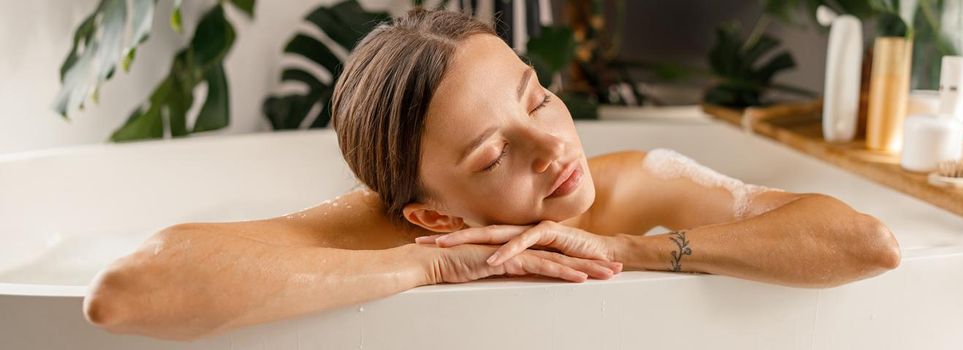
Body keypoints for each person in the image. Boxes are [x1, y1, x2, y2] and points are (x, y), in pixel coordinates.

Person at [82, 8, 901, 341]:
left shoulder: (630, 185)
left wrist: (631, 248)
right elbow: (124, 292)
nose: (552, 148)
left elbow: (867, 246)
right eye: (491, 155)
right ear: (431, 213)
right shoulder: (381, 231)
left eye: (537, 99)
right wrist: (433, 265)